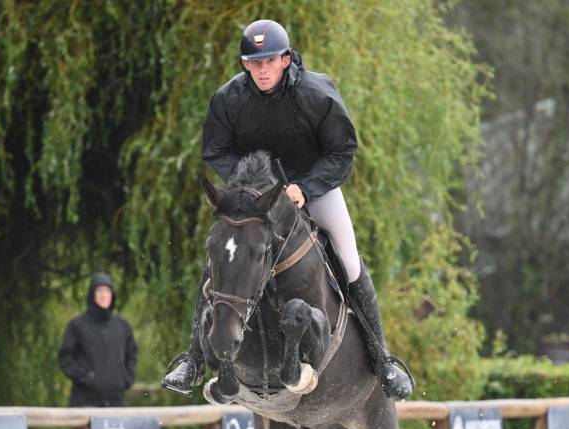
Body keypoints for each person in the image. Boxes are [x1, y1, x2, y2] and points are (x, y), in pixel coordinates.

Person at [161, 18, 413, 400]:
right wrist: (251, 185)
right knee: (220, 260)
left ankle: (383, 360)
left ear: (285, 59)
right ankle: (194, 361)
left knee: (348, 259)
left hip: (313, 188)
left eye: (269, 61)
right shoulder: (228, 98)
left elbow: (342, 151)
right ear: (245, 64)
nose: (262, 70)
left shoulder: (316, 93)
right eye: (254, 62)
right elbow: (215, 150)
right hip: (256, 196)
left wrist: (305, 188)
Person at [59, 272, 138, 406]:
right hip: (85, 401)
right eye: (99, 290)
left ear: (112, 295)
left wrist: (126, 378)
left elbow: (132, 354)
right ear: (92, 294)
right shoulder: (77, 325)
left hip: (116, 401)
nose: (104, 295)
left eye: (107, 291)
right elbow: (66, 358)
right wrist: (85, 377)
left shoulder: (122, 325)